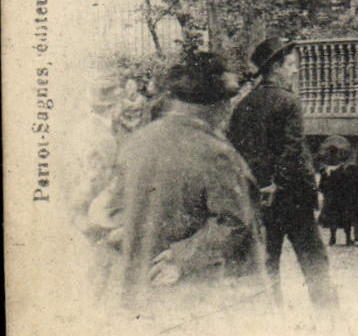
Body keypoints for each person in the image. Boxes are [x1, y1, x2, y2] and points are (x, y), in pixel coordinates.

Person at [108, 51, 267, 315]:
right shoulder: (215, 152)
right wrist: (182, 257)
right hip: (195, 295)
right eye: (228, 101)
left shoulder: (136, 142)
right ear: (218, 105)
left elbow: (112, 213)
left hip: (138, 292)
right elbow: (235, 221)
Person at [227, 36, 339, 310]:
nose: (294, 70)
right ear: (275, 67)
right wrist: (281, 183)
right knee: (313, 260)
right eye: (290, 64)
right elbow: (293, 151)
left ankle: (271, 319)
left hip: (259, 197)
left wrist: (261, 185)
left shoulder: (243, 106)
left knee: (267, 263)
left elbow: (238, 152)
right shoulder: (289, 102)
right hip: (292, 197)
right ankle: (329, 317)